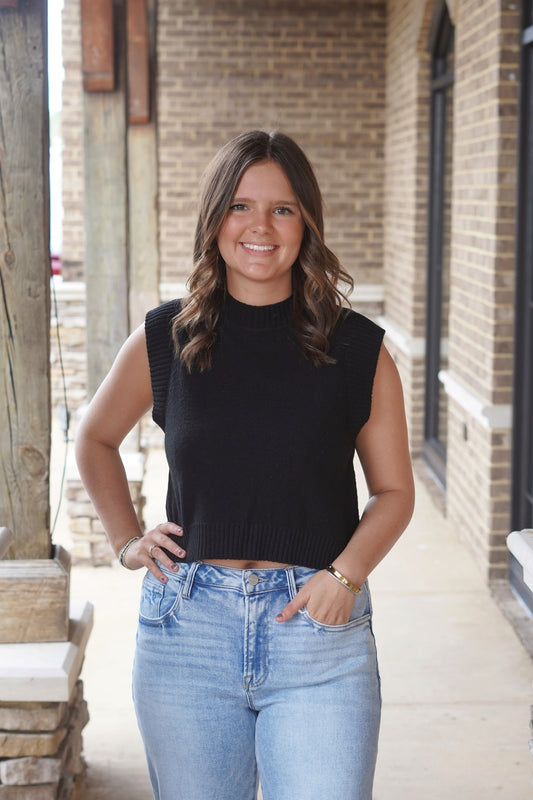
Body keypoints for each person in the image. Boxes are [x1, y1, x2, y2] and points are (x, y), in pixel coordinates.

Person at [75, 129, 415, 800]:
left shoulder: (356, 348)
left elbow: (394, 491)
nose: (260, 226)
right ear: (214, 220)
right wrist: (125, 541)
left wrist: (345, 578)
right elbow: (93, 440)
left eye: (282, 209)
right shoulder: (168, 338)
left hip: (317, 634)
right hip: (187, 633)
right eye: (240, 206)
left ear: (305, 223)